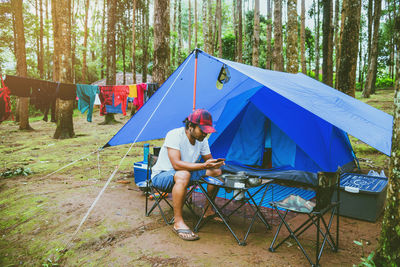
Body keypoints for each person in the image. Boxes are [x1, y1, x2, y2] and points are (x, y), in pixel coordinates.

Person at [151, 109, 224, 241]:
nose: (205, 134)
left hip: (186, 175)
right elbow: (176, 165)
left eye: (207, 131)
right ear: (190, 126)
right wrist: (203, 166)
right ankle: (178, 222)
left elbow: (208, 160)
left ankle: (208, 210)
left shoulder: (203, 140)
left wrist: (214, 164)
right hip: (163, 176)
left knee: (216, 172)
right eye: (202, 130)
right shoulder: (174, 135)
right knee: (183, 174)